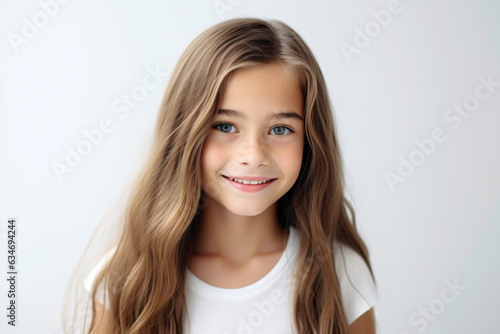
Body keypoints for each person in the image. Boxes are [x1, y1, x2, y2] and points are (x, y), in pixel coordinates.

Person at [72, 17, 380, 334]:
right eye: (225, 126)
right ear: (183, 135)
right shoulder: (125, 277)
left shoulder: (340, 275)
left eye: (280, 129)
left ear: (310, 141)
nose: (253, 155)